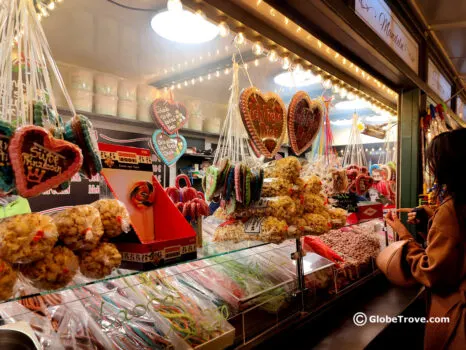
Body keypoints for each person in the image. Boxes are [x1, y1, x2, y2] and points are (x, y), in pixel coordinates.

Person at [385, 128, 466, 350]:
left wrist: (403, 235)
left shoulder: (452, 210)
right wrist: (432, 220)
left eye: (434, 160)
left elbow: (432, 272)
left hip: (456, 319)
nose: (431, 166)